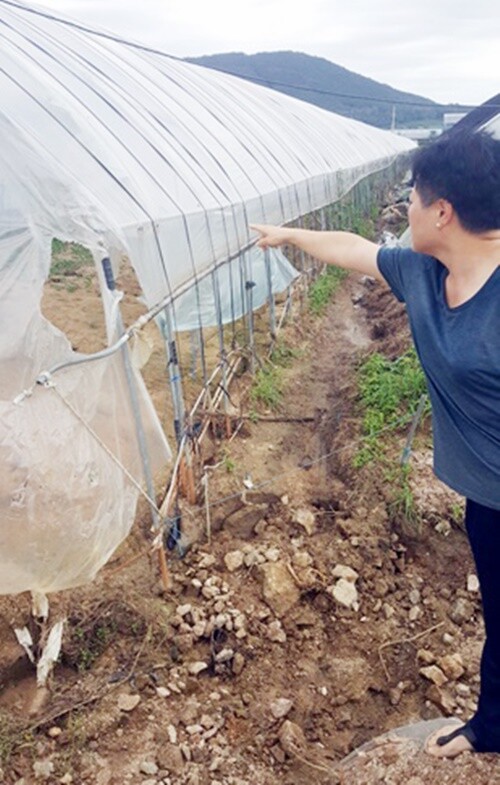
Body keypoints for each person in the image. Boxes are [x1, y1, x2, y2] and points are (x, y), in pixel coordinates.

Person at [250, 128, 500, 759]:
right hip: (487, 498)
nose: (406, 208)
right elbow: (355, 249)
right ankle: (493, 727)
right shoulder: (422, 271)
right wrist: (289, 235)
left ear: (442, 212)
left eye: (413, 197)